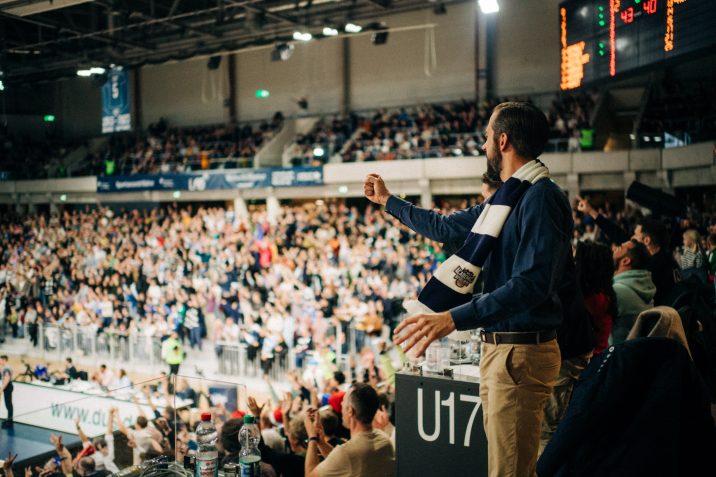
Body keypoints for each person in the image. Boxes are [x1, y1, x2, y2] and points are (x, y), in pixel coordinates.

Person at [366, 101, 572, 477]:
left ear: (503, 141)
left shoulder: (540, 198)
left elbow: (531, 285)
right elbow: (446, 228)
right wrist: (389, 201)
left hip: (521, 352)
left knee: (509, 471)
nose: (483, 146)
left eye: (487, 137)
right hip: (503, 349)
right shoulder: (508, 198)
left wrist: (453, 318)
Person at [304, 382, 395, 477]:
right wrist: (320, 442)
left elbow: (309, 475)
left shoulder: (347, 453)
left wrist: (312, 438)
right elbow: (341, 463)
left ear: (350, 411)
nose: (341, 404)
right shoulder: (384, 439)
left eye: (343, 401)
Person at [610, 240, 656, 344]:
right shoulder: (643, 287)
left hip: (614, 356)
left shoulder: (618, 292)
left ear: (626, 261)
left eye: (620, 248)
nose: (613, 248)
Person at [1, 355, 13, 428]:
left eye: (0, 360)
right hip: (8, 387)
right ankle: (9, 419)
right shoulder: (6, 368)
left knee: (8, 404)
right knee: (8, 404)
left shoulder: (6, 369)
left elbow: (6, 380)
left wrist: (1, 389)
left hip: (7, 387)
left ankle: (9, 421)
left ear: (4, 360)